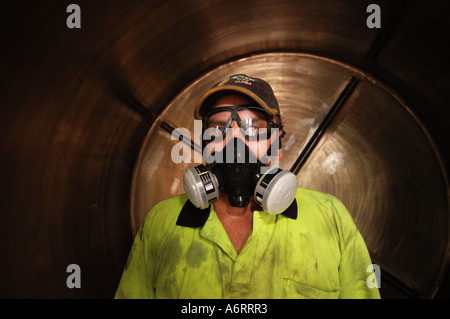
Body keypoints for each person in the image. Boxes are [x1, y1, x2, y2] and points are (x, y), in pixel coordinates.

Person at [115, 74, 381, 299]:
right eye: (218, 129)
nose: (235, 143)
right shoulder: (162, 221)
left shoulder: (330, 216)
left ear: (276, 142)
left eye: (253, 128)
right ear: (205, 144)